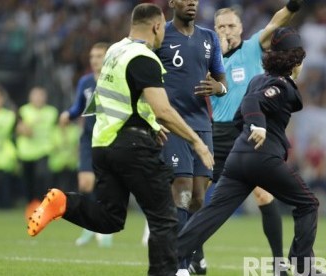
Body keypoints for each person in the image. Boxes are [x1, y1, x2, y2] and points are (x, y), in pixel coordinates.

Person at [27, 4, 214, 276]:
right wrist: (197, 142)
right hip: (133, 146)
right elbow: (163, 110)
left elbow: (118, 98)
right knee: (165, 219)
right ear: (156, 26)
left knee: (110, 217)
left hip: (103, 146)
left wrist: (149, 122)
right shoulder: (145, 58)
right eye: (162, 28)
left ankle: (62, 202)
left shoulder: (114, 52)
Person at [177, 27, 326, 276]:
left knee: (213, 213)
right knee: (308, 204)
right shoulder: (282, 86)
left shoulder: (257, 80)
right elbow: (250, 103)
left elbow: (238, 118)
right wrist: (258, 125)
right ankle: (303, 266)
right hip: (264, 159)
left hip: (239, 158)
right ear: (295, 62)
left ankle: (170, 257)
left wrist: (249, 132)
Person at [210, 2, 304, 271]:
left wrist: (292, 7)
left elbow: (275, 23)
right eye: (221, 26)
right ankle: (194, 259)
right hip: (216, 133)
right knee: (197, 195)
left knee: (263, 194)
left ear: (241, 27)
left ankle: (278, 262)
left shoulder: (252, 47)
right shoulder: (208, 58)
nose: (227, 30)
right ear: (215, 30)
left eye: (231, 25)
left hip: (248, 131)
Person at [156, 0, 226, 273]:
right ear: (172, 2)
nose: (192, 3)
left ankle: (192, 254)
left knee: (198, 198)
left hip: (202, 124)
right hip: (173, 123)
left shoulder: (209, 38)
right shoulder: (161, 34)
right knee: (182, 189)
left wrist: (217, 88)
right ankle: (180, 265)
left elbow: (222, 82)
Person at [59, 42, 114, 247]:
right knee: (85, 184)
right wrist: (68, 114)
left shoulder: (116, 81)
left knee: (105, 183)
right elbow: (78, 107)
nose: (94, 60)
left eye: (99, 56)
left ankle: (104, 226)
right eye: (92, 56)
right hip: (88, 138)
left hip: (110, 138)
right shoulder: (85, 82)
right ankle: (92, 225)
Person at [16, 86, 58, 219]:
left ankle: (42, 206)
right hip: (26, 152)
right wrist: (30, 125)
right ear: (30, 97)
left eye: (41, 95)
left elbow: (58, 129)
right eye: (36, 95)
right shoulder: (24, 111)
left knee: (42, 176)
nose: (38, 98)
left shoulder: (52, 112)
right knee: (28, 181)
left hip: (44, 149)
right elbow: (20, 130)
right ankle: (31, 206)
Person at [0, 83, 18, 209]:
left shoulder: (10, 115)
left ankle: (6, 205)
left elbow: (24, 129)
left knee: (4, 193)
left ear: (1, 100)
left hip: (4, 158)